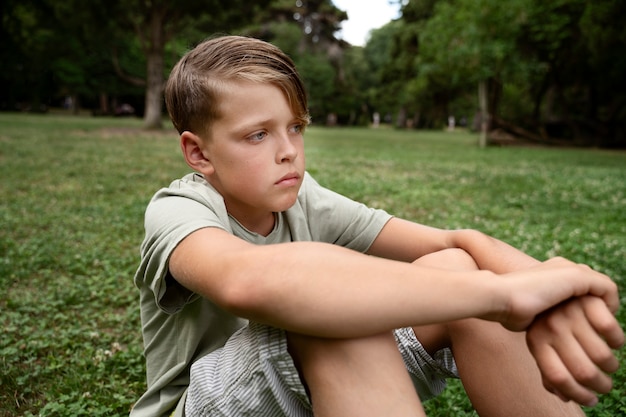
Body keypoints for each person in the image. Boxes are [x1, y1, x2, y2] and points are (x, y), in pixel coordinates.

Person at [130, 35, 623, 417]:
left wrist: (545, 291)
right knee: (333, 306)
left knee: (450, 265)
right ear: (198, 152)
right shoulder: (178, 208)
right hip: (202, 406)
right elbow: (247, 281)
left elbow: (459, 242)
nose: (288, 150)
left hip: (303, 386)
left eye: (295, 127)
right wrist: (501, 297)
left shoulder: (306, 198)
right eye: (257, 134)